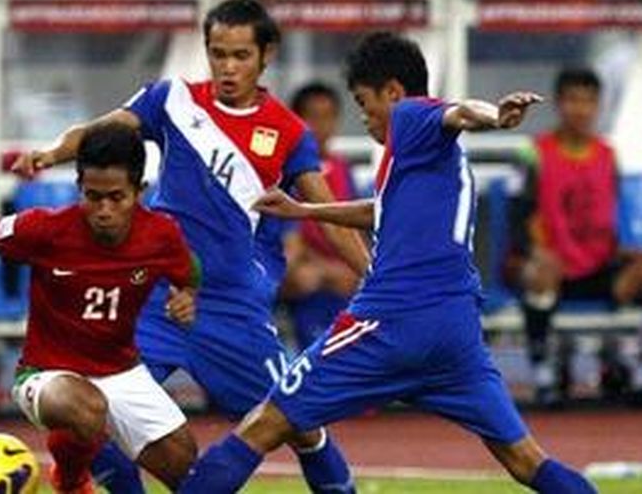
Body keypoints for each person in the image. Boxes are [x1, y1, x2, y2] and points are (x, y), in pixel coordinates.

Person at [176, 32, 598, 494]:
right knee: (524, 459)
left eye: (363, 101)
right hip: (455, 332)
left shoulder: (412, 117)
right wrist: (305, 211)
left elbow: (458, 112)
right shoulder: (433, 162)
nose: (363, 115)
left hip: (393, 320)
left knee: (267, 422)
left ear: (393, 93)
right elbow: (382, 211)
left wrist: (496, 117)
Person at [11, 0, 369, 493]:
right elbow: (104, 129)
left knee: (300, 425)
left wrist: (375, 282)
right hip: (158, 299)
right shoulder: (172, 100)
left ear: (267, 55)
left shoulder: (288, 132)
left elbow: (329, 216)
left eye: (240, 55)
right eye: (217, 53)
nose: (227, 67)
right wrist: (51, 152)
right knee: (92, 410)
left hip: (234, 309)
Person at [0, 124, 202, 493]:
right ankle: (70, 481)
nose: (103, 210)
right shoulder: (47, 229)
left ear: (139, 191)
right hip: (46, 374)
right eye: (92, 196)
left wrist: (186, 294)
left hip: (122, 372)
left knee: (187, 472)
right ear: (79, 188)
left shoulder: (161, 235)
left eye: (116, 198)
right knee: (87, 408)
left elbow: (188, 269)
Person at [509, 68, 642, 404]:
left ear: (598, 106)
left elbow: (616, 216)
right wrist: (535, 251)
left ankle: (628, 361)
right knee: (540, 271)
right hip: (550, 266)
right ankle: (542, 371)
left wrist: (626, 251)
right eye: (573, 100)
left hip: (598, 265)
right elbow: (517, 217)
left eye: (588, 101)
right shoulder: (533, 153)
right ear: (559, 104)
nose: (580, 109)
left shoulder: (608, 155)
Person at [283, 82, 360, 350]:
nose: (320, 126)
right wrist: (327, 270)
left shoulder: (342, 168)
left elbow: (356, 227)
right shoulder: (285, 172)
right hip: (305, 275)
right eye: (312, 117)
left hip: (340, 275)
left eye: (327, 117)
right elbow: (287, 233)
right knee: (304, 281)